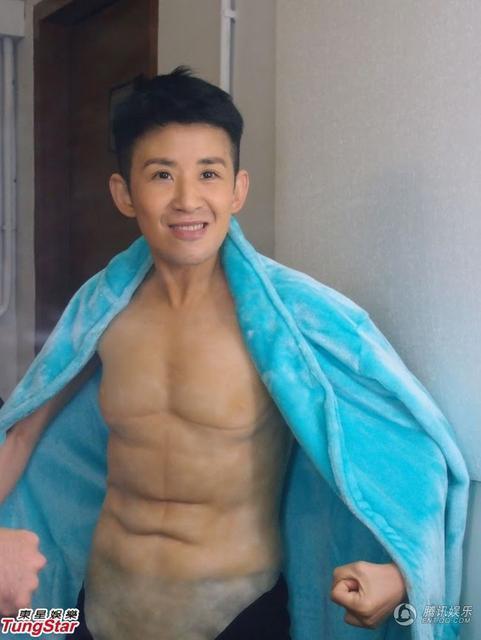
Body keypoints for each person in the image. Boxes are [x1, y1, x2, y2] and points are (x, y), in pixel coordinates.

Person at [0, 67, 467, 640]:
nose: (187, 199)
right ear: (124, 193)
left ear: (237, 189)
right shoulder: (101, 312)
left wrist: (400, 574)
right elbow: (21, 435)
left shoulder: (292, 319)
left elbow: (409, 446)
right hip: (102, 610)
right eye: (162, 174)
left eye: (209, 173)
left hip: (236, 616)